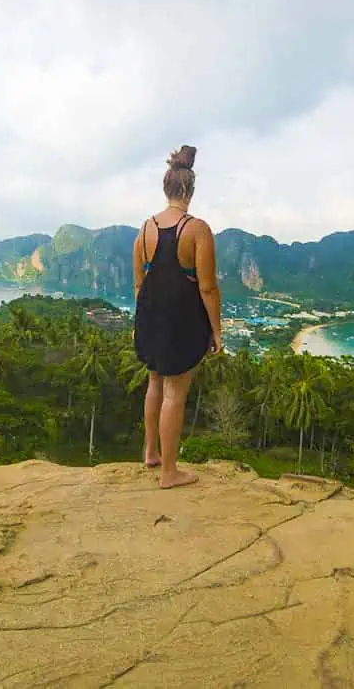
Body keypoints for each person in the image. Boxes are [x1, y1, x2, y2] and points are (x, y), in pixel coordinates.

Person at [132, 144, 223, 489]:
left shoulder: (144, 229)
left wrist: (142, 324)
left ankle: (150, 452)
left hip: (151, 315)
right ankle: (169, 472)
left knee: (154, 382)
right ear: (190, 190)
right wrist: (216, 331)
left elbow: (139, 283)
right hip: (180, 320)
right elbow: (208, 288)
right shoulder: (197, 229)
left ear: (167, 187)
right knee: (175, 393)